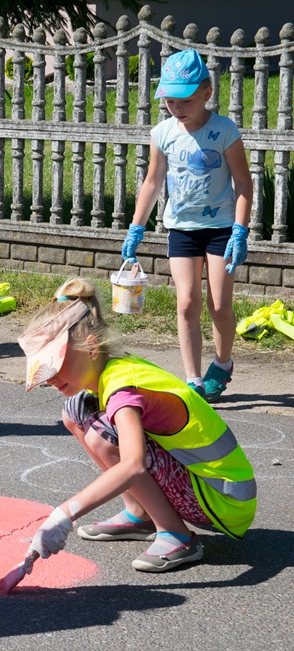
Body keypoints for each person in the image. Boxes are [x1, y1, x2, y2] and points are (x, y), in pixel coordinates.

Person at [17, 278, 256, 573]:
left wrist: (64, 514)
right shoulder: (110, 368)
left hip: (223, 498)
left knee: (104, 436)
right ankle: (140, 513)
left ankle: (177, 535)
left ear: (91, 348)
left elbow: (133, 465)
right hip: (207, 483)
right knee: (75, 409)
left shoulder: (122, 386)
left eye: (54, 365)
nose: (49, 378)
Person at [123, 48, 252, 402]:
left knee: (219, 305)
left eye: (186, 100)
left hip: (222, 229)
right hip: (181, 229)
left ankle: (222, 364)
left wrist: (240, 230)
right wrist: (136, 227)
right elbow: (152, 182)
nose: (176, 108)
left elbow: (243, 183)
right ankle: (193, 379)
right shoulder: (162, 133)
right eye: (170, 100)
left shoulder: (224, 130)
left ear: (207, 93)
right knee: (186, 303)